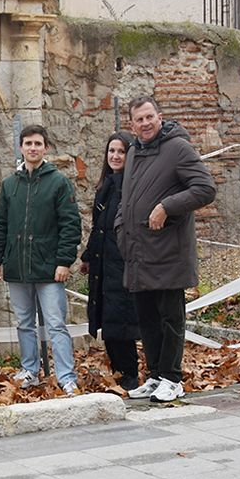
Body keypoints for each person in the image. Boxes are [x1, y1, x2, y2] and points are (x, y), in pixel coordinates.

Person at [119, 97, 217, 404]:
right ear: (131, 125)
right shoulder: (134, 151)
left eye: (150, 117)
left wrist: (165, 207)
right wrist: (122, 228)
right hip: (138, 251)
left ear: (160, 117)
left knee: (170, 317)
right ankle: (156, 376)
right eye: (139, 120)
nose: (145, 124)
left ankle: (173, 379)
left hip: (169, 250)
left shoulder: (178, 148)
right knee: (146, 318)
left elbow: (205, 188)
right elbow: (129, 196)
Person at [0, 124, 82, 394]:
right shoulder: (10, 185)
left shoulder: (58, 183)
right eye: (28, 143)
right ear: (21, 147)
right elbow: (1, 224)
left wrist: (64, 261)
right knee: (24, 323)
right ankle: (29, 369)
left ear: (46, 148)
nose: (33, 148)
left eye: (38, 144)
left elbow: (70, 225)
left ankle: (66, 376)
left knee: (56, 324)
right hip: (17, 266)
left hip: (49, 268)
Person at [81, 132, 142, 392]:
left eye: (121, 152)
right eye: (111, 151)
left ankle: (130, 373)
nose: (115, 156)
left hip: (123, 263)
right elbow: (99, 228)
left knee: (122, 322)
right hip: (102, 263)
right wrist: (87, 256)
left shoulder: (132, 187)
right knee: (107, 320)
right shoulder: (105, 187)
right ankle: (118, 371)